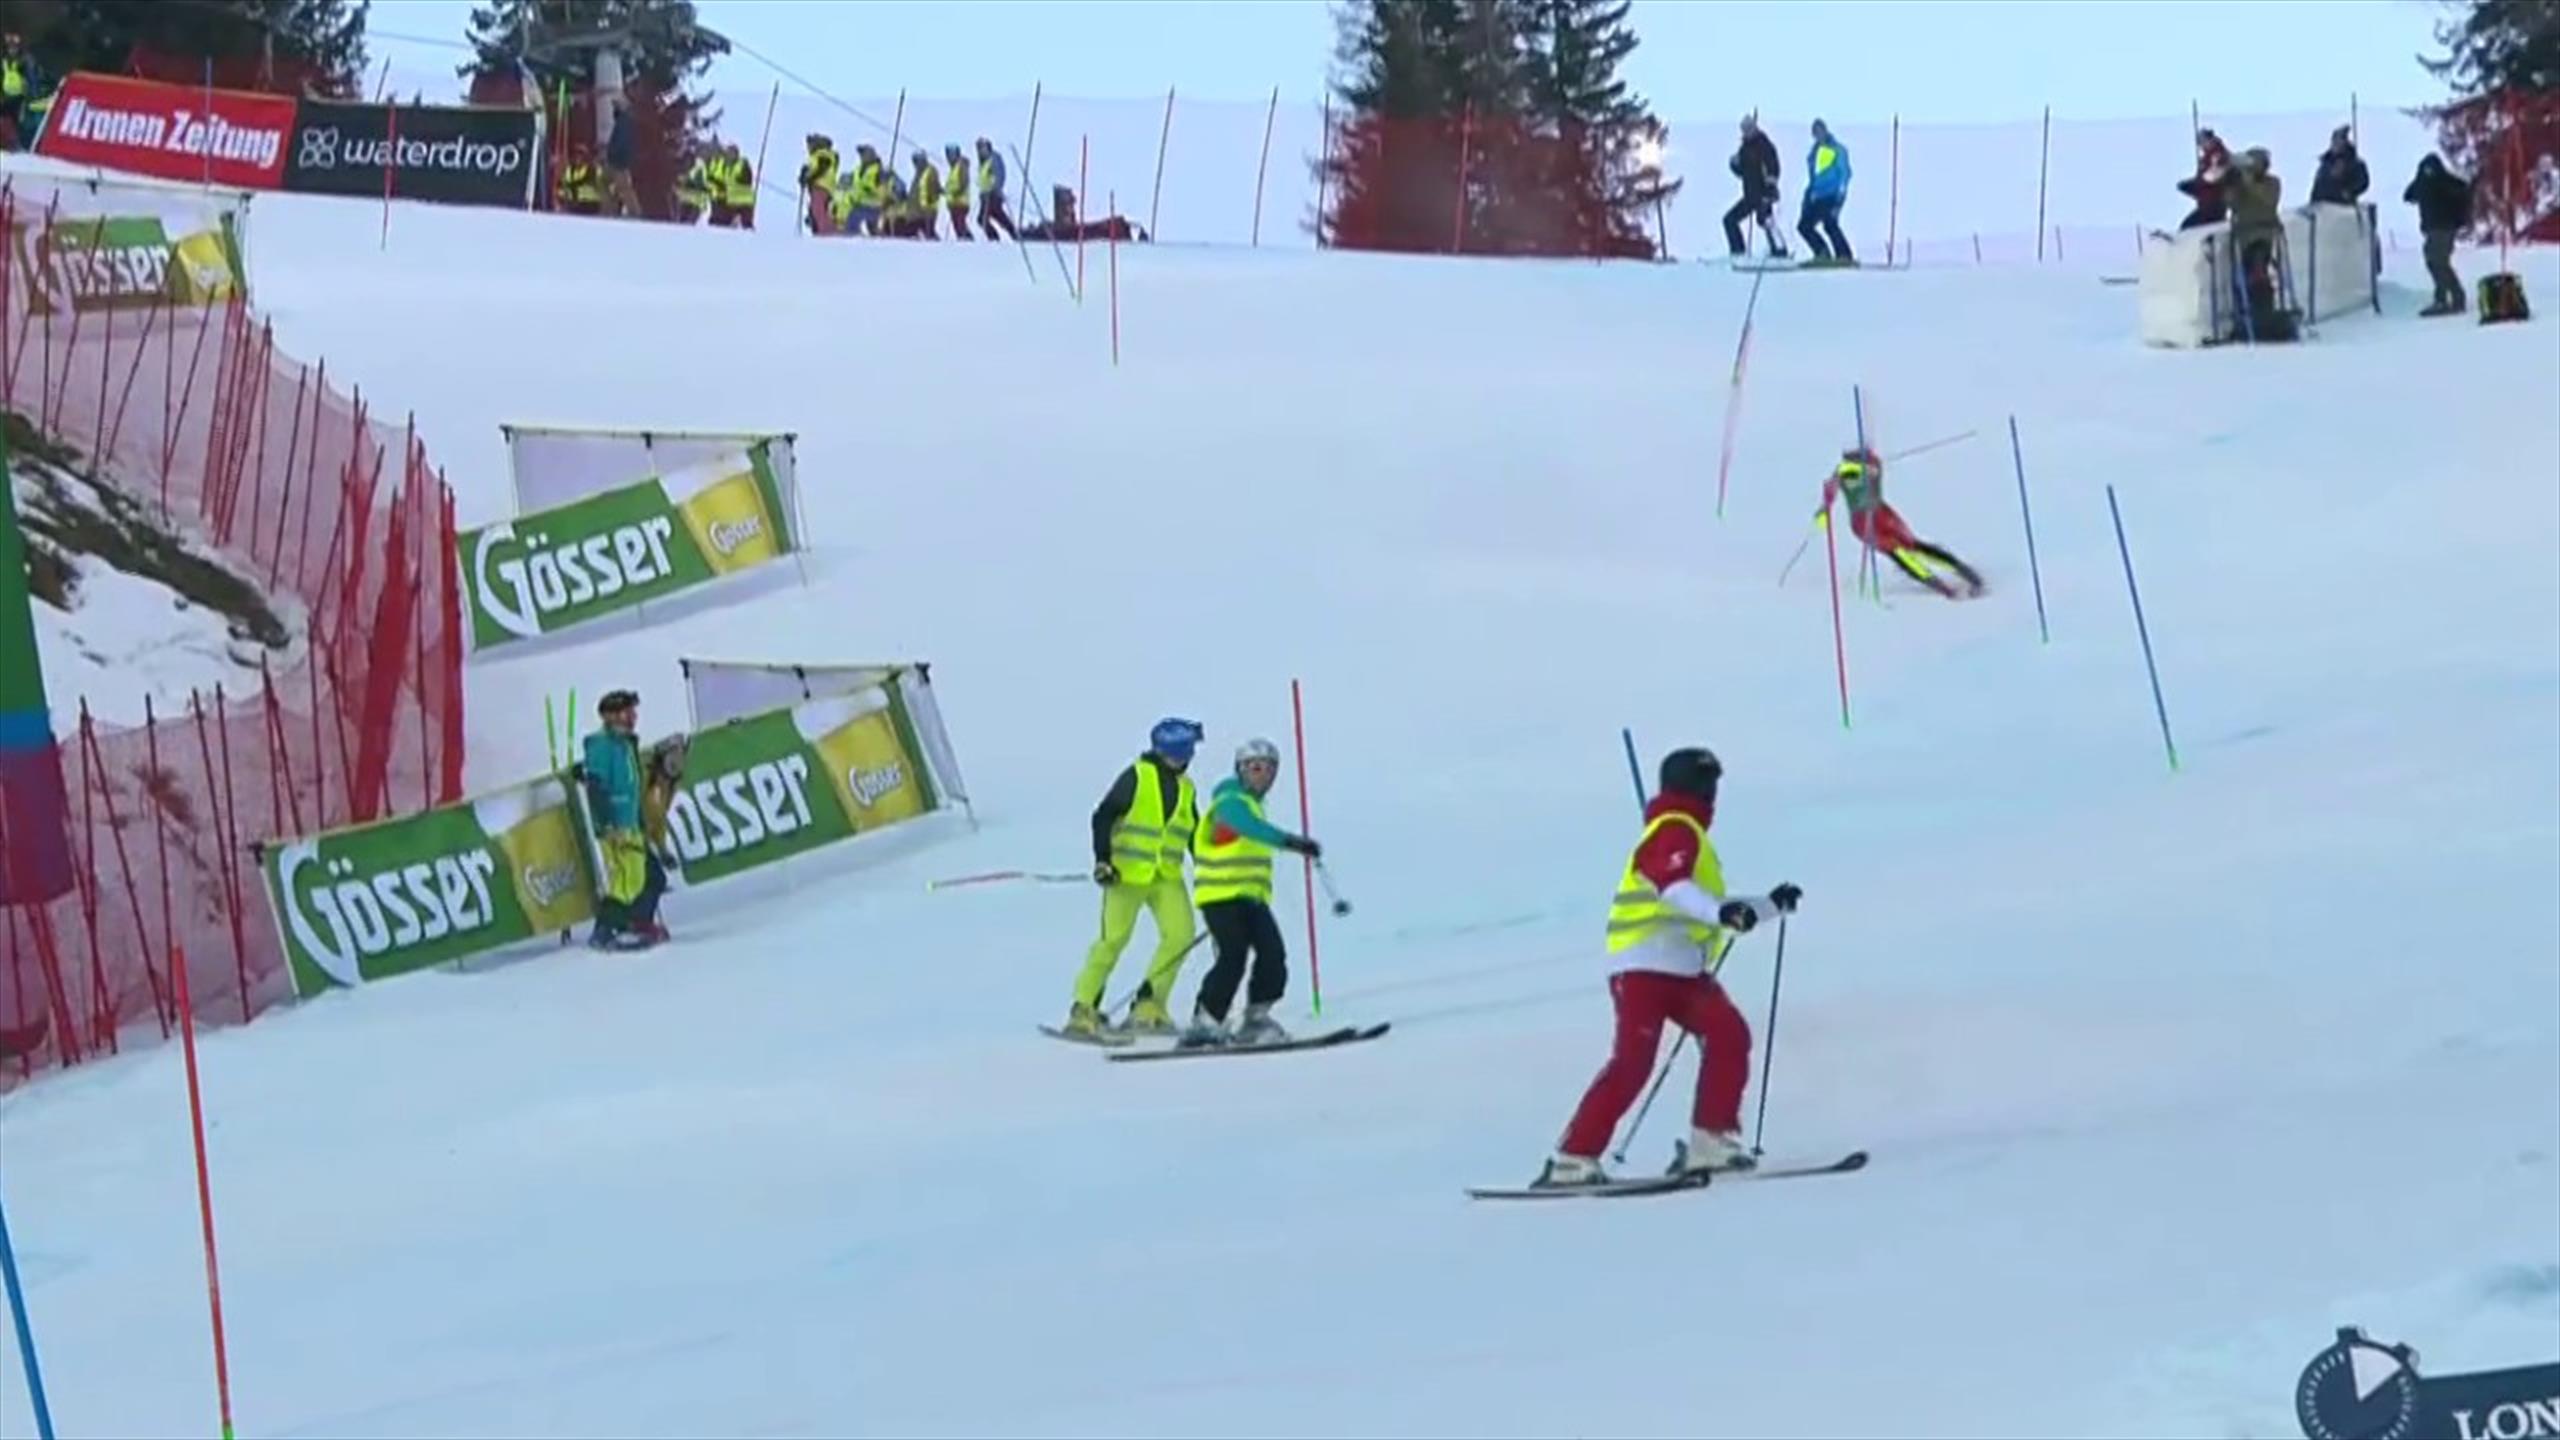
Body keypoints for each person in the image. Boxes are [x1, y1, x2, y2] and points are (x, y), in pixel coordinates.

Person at [1536, 747, 1801, 1186]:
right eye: (1706, 783)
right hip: (1643, 965)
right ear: (1689, 787)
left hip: (1681, 968)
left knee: (1728, 1035)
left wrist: (1769, 905)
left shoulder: (1687, 832)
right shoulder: (1674, 829)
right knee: (1634, 1061)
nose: (1712, 793)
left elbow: (1714, 905)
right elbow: (1674, 889)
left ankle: (1710, 1141)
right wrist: (1723, 915)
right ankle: (1573, 1158)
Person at [1064, 718, 1206, 1040]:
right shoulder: (1137, 776)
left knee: (1180, 935)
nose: (1187, 758)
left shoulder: (1186, 788)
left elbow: (1194, 835)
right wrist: (1103, 860)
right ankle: (1083, 1008)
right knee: (1113, 940)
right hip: (1126, 876)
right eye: (1185, 751)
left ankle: (1149, 1005)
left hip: (1165, 877)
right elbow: (1103, 816)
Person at [1182, 738, 1322, 1049]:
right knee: (1233, 956)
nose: (1263, 775)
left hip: (1250, 897)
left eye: (1269, 769)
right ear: (1241, 771)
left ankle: (1257, 1016)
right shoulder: (1230, 801)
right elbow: (1246, 827)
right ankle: (1205, 1021)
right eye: (1255, 768)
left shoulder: (1253, 805)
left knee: (1272, 954)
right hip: (1221, 897)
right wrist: (1292, 842)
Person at [1818, 446, 1984, 598]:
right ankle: (1936, 583)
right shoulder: (1841, 473)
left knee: (1912, 544)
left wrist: (1865, 466)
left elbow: (1874, 470)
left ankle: (1961, 570)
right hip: (1862, 523)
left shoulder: (1871, 466)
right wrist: (1823, 512)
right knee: (1898, 552)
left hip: (1881, 513)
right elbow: (1830, 494)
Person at [579, 690, 658, 950]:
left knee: (639, 878)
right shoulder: (603, 746)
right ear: (611, 716)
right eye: (627, 712)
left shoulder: (626, 744)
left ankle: (627, 924)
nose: (633, 717)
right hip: (616, 827)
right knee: (624, 881)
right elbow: (597, 788)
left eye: (633, 711)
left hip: (629, 823)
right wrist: (608, 825)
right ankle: (604, 930)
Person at [2226, 146, 2291, 337]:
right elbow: (2231, 203)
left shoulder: (2272, 183)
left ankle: (2264, 312)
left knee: (2258, 270)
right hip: (2243, 236)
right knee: (2243, 277)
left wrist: (2249, 183)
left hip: (2263, 234)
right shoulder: (2241, 185)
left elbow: (2268, 199)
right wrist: (2232, 184)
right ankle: (2247, 312)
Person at [633, 732, 690, 944]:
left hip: (642, 839)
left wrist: (663, 849)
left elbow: (659, 821)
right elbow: (645, 811)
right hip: (629, 836)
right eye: (672, 756)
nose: (677, 761)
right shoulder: (648, 780)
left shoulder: (669, 784)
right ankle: (639, 924)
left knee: (653, 878)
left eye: (680, 755)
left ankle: (639, 922)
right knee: (653, 878)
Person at [2404, 153, 2473, 318]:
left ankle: (2452, 298)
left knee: (2438, 262)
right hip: (2433, 228)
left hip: (2444, 228)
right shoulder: (2425, 184)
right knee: (2435, 262)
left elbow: (2462, 190)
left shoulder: (2446, 182)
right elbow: (2408, 195)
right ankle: (2445, 297)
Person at [1723, 114, 1786, 260]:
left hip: (1764, 194)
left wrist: (1770, 188)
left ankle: (1780, 251)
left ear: (1755, 128)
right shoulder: (1744, 148)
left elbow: (1773, 167)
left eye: (1748, 129)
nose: (1746, 132)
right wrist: (1734, 164)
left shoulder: (1764, 144)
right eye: (1744, 129)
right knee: (1730, 220)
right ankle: (1738, 252)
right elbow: (1742, 173)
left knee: (1764, 220)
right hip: (1751, 195)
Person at [1797, 119, 1853, 265]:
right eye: (1815, 133)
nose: (1818, 135)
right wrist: (1808, 195)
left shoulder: (1837, 150)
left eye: (1820, 131)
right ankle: (1822, 252)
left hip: (1832, 195)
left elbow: (1845, 173)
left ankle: (1844, 255)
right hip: (1817, 196)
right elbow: (1813, 177)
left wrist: (1841, 194)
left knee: (1830, 223)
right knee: (1804, 226)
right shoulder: (1814, 153)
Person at [2177, 129, 2233, 230]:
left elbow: (2215, 176)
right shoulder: (2208, 157)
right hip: (2206, 203)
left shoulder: (2218, 154)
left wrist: (2196, 184)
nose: (2201, 146)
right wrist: (2192, 188)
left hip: (2215, 203)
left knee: (2189, 227)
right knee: (2191, 226)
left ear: (2209, 139)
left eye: (2202, 141)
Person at [2308, 125, 2370, 208]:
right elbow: (2317, 186)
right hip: (2322, 208)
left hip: (2342, 208)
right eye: (2334, 141)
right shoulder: (2326, 163)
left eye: (2338, 141)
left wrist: (2349, 192)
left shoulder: (2353, 163)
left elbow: (2362, 182)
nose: (2335, 145)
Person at [973, 138, 1019, 240]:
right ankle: (1013, 233)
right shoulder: (983, 162)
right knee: (997, 216)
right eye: (979, 149)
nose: (981, 151)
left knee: (983, 218)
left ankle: (995, 237)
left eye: (983, 148)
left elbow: (999, 175)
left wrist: (994, 187)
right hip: (985, 195)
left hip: (992, 194)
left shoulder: (994, 159)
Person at [799, 134, 840, 235]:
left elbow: (820, 169)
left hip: (822, 186)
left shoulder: (823, 154)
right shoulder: (818, 155)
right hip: (819, 187)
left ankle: (826, 232)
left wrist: (808, 178)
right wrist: (805, 174)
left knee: (818, 210)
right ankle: (818, 231)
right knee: (815, 210)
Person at [943, 143, 974, 241]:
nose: (949, 158)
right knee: (957, 224)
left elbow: (964, 181)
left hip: (960, 201)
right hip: (953, 202)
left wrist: (956, 192)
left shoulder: (961, 166)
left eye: (951, 155)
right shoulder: (953, 169)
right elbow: (952, 184)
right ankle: (965, 239)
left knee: (960, 224)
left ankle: (966, 240)